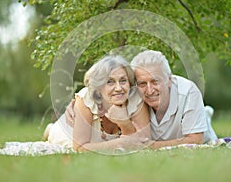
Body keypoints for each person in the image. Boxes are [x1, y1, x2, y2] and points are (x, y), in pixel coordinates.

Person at [66, 50, 217, 150]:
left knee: (201, 121)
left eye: (155, 81)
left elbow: (196, 139)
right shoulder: (132, 93)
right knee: (58, 134)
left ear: (169, 80)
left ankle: (205, 115)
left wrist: (144, 143)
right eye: (143, 83)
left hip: (190, 135)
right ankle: (51, 128)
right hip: (82, 128)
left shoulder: (188, 92)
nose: (149, 90)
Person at [44, 55, 150, 152]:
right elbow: (80, 147)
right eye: (110, 81)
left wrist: (125, 123)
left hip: (100, 141)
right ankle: (50, 129)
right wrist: (120, 143)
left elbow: (144, 143)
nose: (119, 88)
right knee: (56, 135)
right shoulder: (86, 98)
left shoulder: (136, 99)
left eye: (123, 80)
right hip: (69, 133)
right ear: (99, 87)